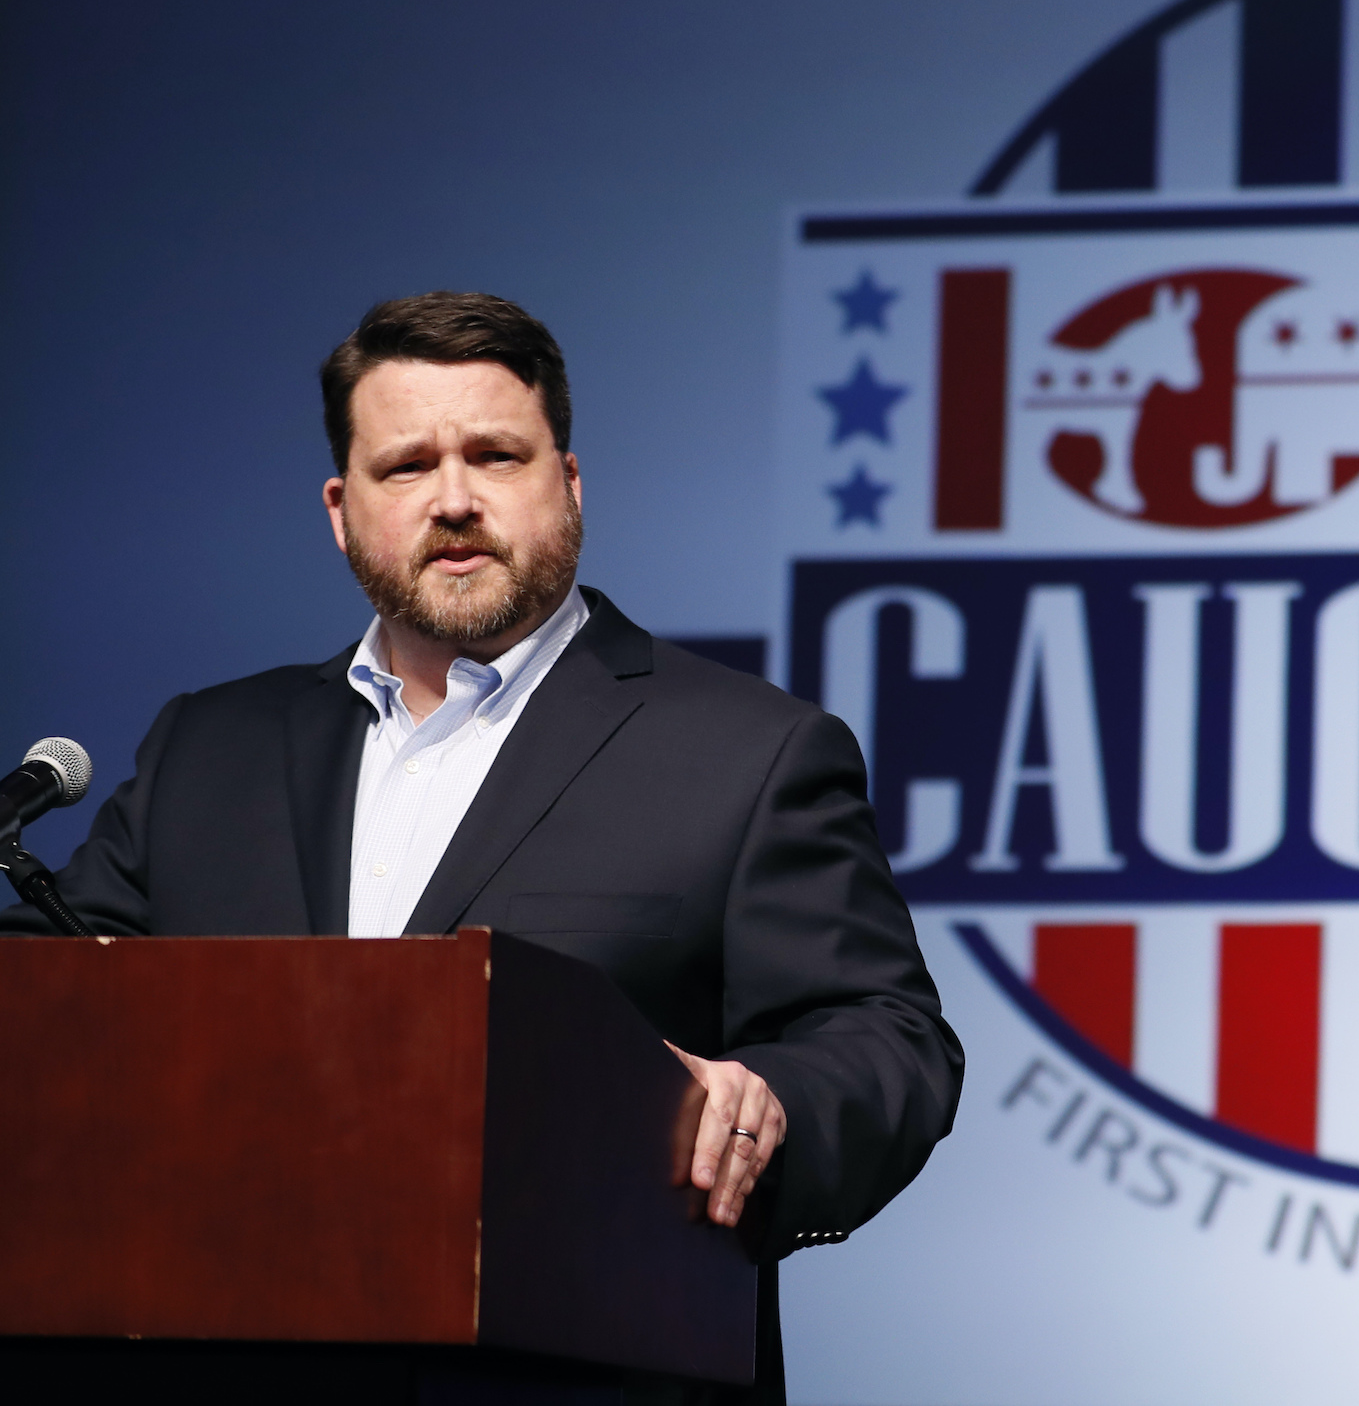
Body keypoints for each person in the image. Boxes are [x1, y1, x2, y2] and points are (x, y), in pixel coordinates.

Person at [1, 292, 963, 1400]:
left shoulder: (750, 750)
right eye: (406, 465)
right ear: (339, 507)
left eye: (496, 455)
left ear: (570, 484)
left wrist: (776, 1096)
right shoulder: (207, 746)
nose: (453, 499)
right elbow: (50, 1010)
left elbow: (888, 1038)